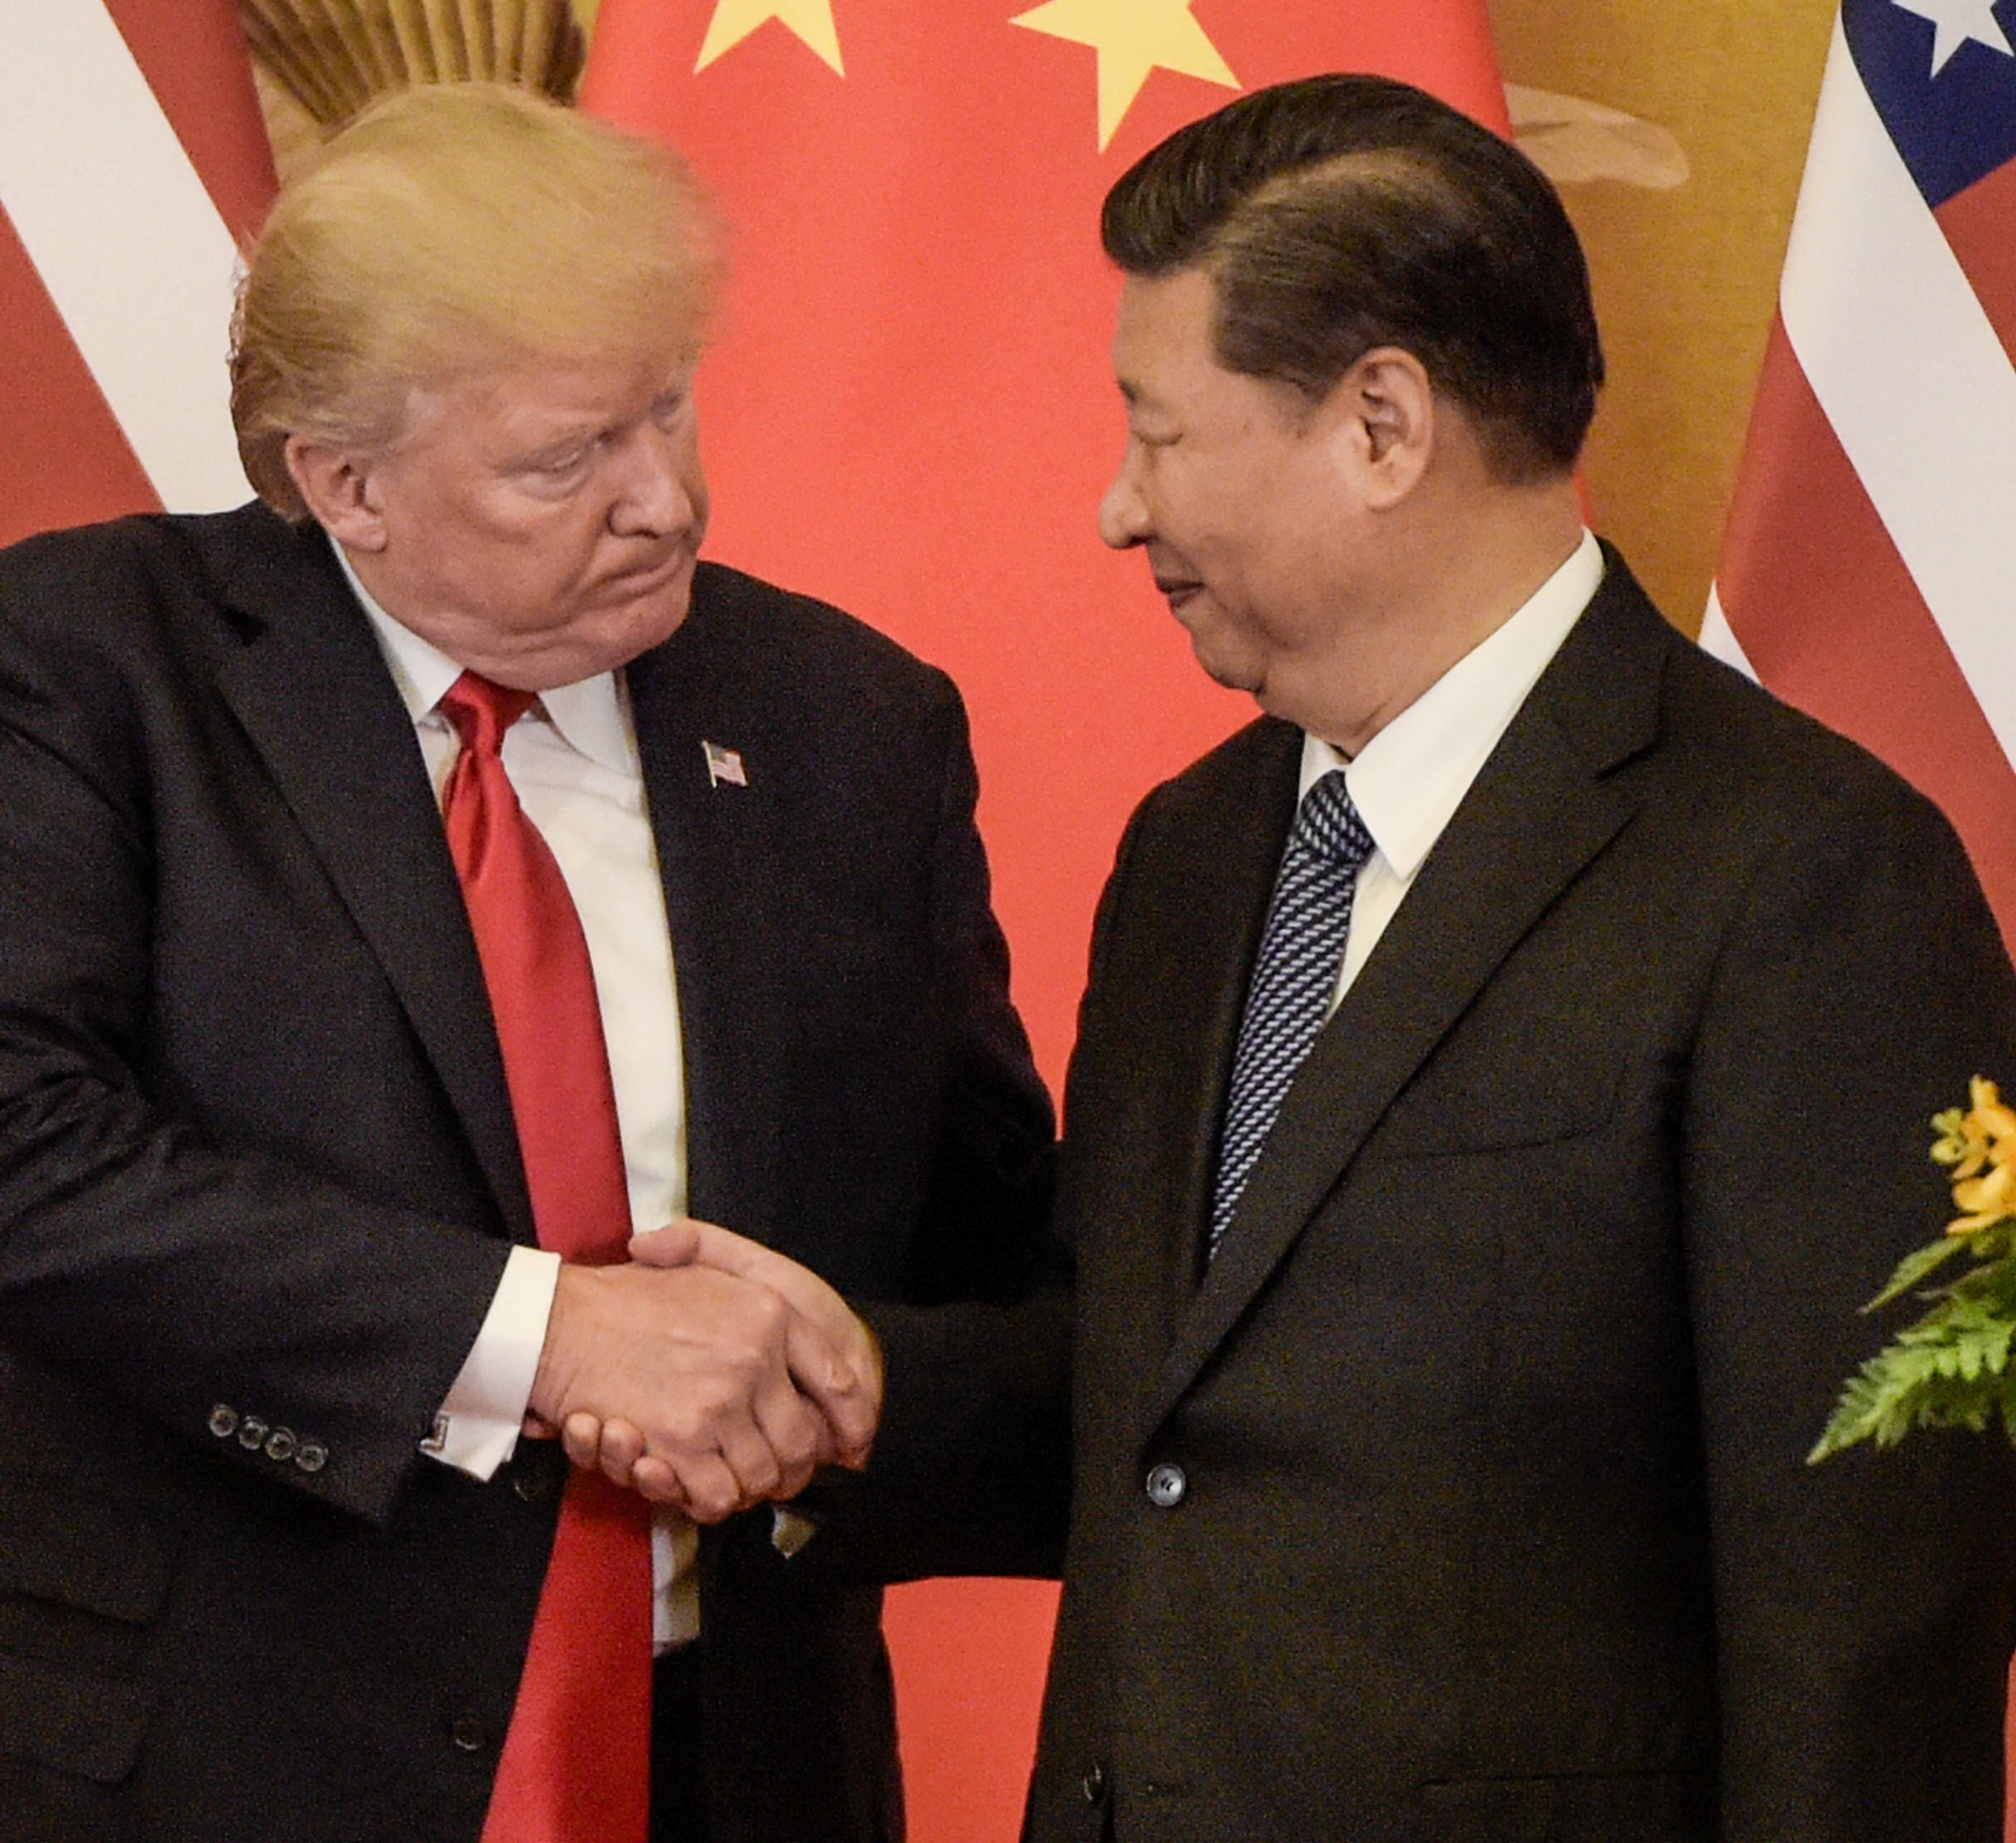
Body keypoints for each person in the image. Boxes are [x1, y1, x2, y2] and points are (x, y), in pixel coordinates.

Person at [616, 72, 2016, 1841]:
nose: (1117, 511)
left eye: (1159, 432)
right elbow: (1157, 1398)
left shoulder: (1808, 879)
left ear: (1379, 426)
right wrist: (853, 1386)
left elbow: (1868, 1619)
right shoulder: (1193, 851)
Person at [0, 81, 1053, 1843]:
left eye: (667, 411)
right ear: (345, 486)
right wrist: (548, 1338)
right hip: (197, 1765)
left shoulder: (847, 723)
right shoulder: (81, 671)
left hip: (718, 1768)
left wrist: (841, 1377)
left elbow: (990, 1255)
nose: (665, 499)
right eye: (567, 458)